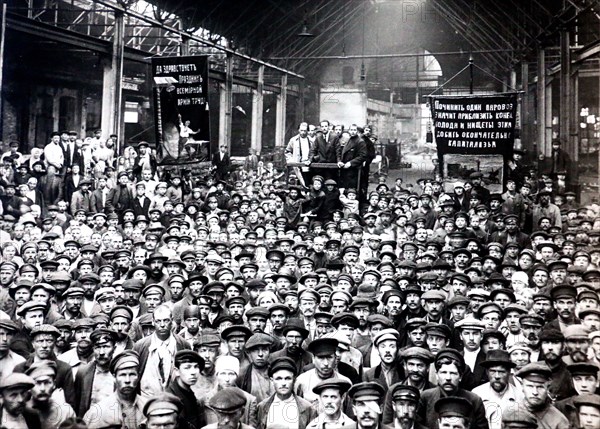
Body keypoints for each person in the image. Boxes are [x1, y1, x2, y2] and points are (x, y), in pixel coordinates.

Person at [256, 357, 316, 429]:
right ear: (272, 381)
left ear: (294, 380)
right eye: (279, 379)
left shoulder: (308, 408)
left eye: (287, 378)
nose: (283, 383)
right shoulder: (262, 407)